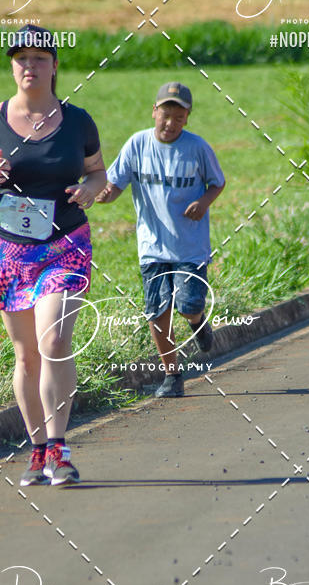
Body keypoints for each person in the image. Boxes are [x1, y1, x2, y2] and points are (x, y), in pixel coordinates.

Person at [0, 24, 106, 485]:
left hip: (65, 246)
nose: (30, 66)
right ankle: (37, 450)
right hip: (8, 251)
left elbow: (99, 175)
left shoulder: (78, 120)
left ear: (55, 65)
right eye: (21, 58)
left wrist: (89, 189)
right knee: (26, 357)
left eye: (40, 58)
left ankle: (60, 449)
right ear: (11, 65)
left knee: (55, 343)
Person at [96, 82, 225, 397]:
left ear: (187, 118)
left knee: (187, 307)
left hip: (189, 247)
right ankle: (172, 376)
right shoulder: (137, 145)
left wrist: (204, 202)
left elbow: (217, 183)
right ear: (154, 112)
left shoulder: (197, 148)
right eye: (165, 114)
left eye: (178, 117)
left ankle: (197, 322)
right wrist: (103, 194)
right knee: (157, 311)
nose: (170, 123)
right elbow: (114, 184)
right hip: (152, 246)